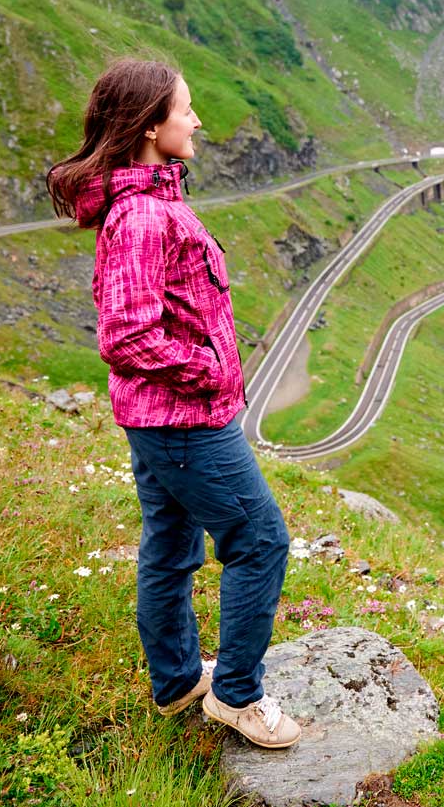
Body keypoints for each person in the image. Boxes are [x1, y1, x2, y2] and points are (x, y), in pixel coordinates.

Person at [44, 57, 300, 749]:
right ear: (151, 126)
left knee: (171, 545)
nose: (197, 121)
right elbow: (126, 335)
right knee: (261, 541)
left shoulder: (151, 203)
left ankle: (178, 681)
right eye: (185, 110)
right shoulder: (144, 217)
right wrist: (209, 372)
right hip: (186, 421)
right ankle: (237, 696)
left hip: (159, 419)